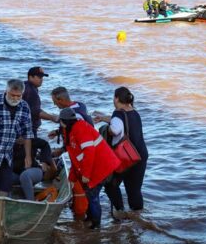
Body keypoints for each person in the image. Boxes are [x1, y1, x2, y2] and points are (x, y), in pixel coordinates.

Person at [60, 107, 120, 229]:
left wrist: (86, 175)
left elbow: (89, 152)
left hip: (102, 166)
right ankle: (92, 218)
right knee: (90, 194)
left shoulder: (80, 130)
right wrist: (72, 178)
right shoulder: (72, 130)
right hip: (97, 165)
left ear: (63, 122)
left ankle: (96, 225)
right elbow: (75, 157)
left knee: (92, 196)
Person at [94, 87, 149, 219]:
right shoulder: (134, 112)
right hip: (140, 156)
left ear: (117, 98)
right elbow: (122, 122)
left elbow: (116, 129)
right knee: (134, 190)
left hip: (124, 157)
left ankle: (119, 211)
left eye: (114, 97)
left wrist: (107, 128)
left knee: (110, 185)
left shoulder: (118, 113)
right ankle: (138, 218)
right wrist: (103, 118)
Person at [22, 66, 53, 137]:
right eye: (39, 77)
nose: (41, 79)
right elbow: (36, 112)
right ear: (30, 77)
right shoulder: (31, 91)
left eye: (42, 77)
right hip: (28, 129)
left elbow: (34, 108)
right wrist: (52, 118)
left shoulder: (25, 85)